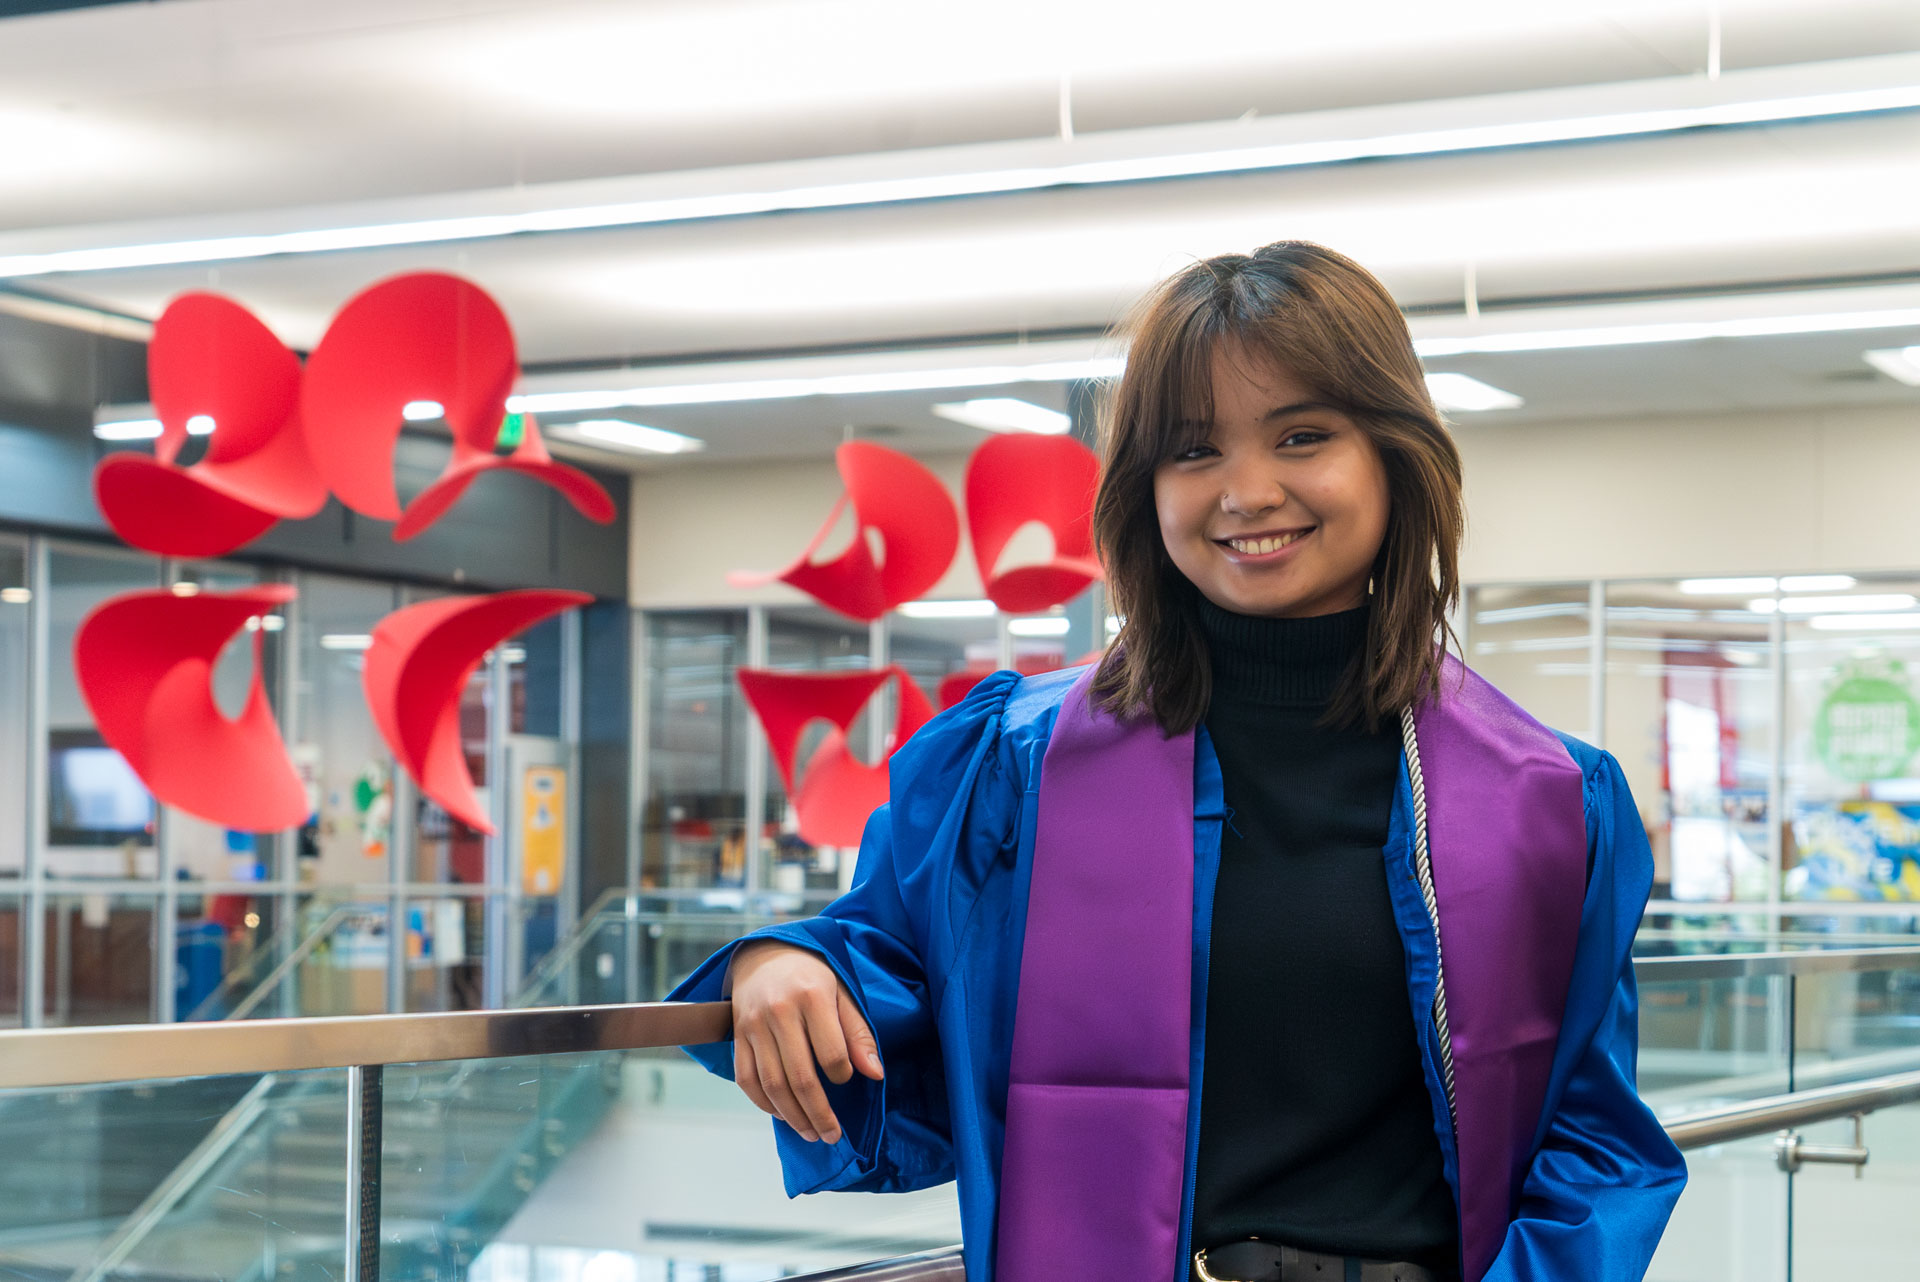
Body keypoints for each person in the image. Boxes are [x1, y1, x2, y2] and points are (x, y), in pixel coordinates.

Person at [670, 241, 1686, 1282]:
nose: (1247, 492)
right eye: (1194, 451)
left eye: (1301, 435)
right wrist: (783, 958)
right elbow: (887, 962)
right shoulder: (1016, 769)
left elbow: (1594, 1135)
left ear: (1393, 455)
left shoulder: (1550, 802)